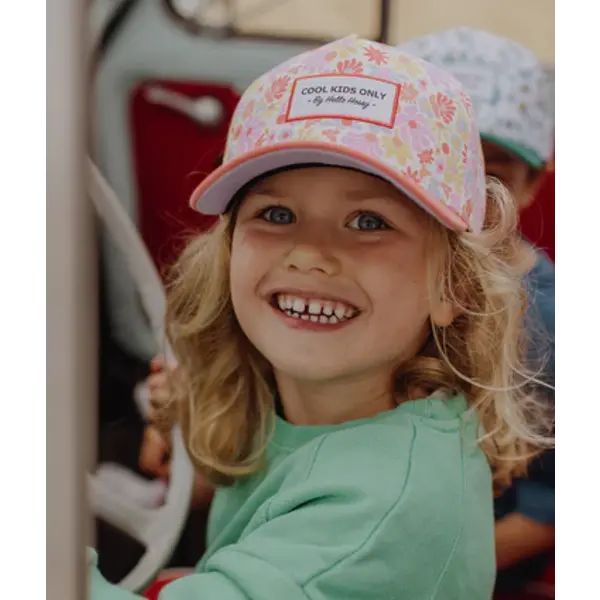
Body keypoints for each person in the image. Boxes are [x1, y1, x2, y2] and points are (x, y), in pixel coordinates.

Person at [88, 34, 554, 599]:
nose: (309, 253)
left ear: (452, 286)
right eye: (276, 213)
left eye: (368, 222)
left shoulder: (378, 514)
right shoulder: (328, 400)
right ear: (229, 254)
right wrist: (197, 427)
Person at [398, 27, 559, 595]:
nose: (465, 192)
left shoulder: (548, 319)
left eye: (493, 174)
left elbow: (545, 511)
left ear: (534, 181)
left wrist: (414, 578)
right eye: (440, 161)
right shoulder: (371, 285)